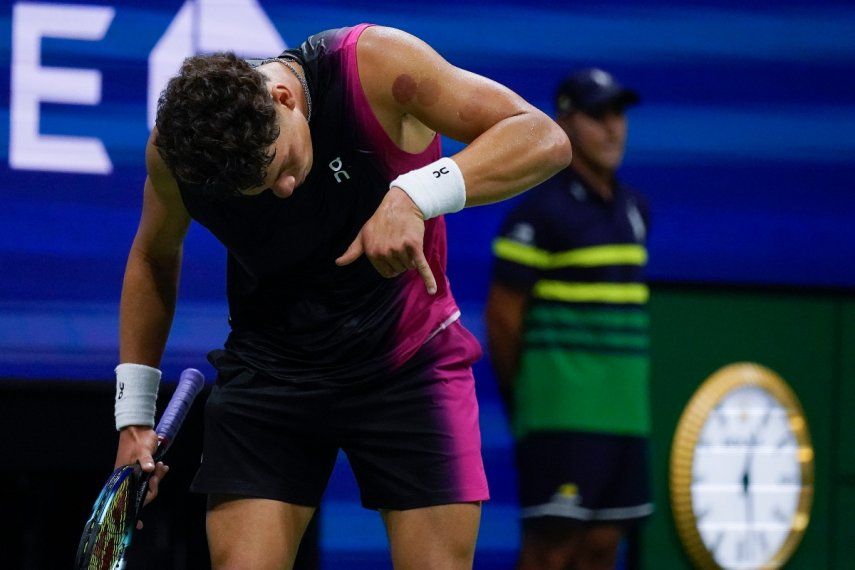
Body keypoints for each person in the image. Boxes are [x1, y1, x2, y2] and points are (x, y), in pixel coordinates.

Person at [112, 24, 571, 569]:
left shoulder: (374, 67)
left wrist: (414, 194)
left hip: (409, 363)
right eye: (259, 190)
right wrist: (134, 417)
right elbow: (153, 257)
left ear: (282, 98)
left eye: (281, 164)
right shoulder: (180, 154)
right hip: (271, 373)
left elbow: (543, 137)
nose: (284, 189)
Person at [486, 68, 653, 570]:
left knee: (603, 548)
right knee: (550, 551)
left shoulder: (635, 210)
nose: (613, 128)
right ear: (565, 122)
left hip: (623, 415)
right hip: (559, 416)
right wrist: (533, 396)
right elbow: (501, 317)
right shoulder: (539, 214)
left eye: (618, 114)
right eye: (598, 115)